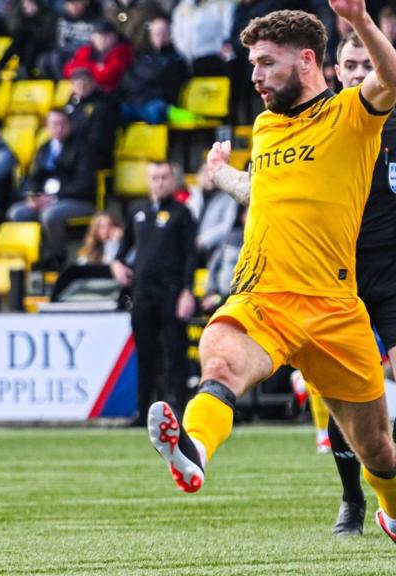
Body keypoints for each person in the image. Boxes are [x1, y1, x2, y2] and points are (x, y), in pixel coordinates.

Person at [146, 7, 396, 546]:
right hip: (268, 297)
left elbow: (392, 78)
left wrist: (360, 19)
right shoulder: (264, 126)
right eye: (252, 63)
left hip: (334, 302)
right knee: (219, 353)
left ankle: (392, 512)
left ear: (308, 61)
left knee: (377, 448)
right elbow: (267, 192)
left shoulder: (352, 115)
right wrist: (220, 176)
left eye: (265, 63)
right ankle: (193, 451)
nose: (254, 75)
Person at [112, 160, 196, 424]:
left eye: (163, 177)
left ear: (172, 181)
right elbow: (122, 251)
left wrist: (187, 291)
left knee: (175, 351)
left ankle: (179, 411)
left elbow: (190, 256)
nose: (158, 182)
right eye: (154, 177)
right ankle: (143, 411)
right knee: (145, 354)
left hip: (171, 292)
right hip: (142, 292)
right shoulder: (138, 212)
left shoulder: (182, 214)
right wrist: (116, 265)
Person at [7, 108, 97, 269]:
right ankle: (38, 254)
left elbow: (84, 185)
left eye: (63, 124)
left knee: (50, 215)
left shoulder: (83, 148)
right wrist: (32, 197)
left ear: (70, 125)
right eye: (54, 124)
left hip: (76, 200)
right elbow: (33, 179)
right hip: (46, 199)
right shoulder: (44, 148)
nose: (59, 128)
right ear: (47, 126)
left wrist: (55, 197)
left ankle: (57, 256)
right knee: (16, 213)